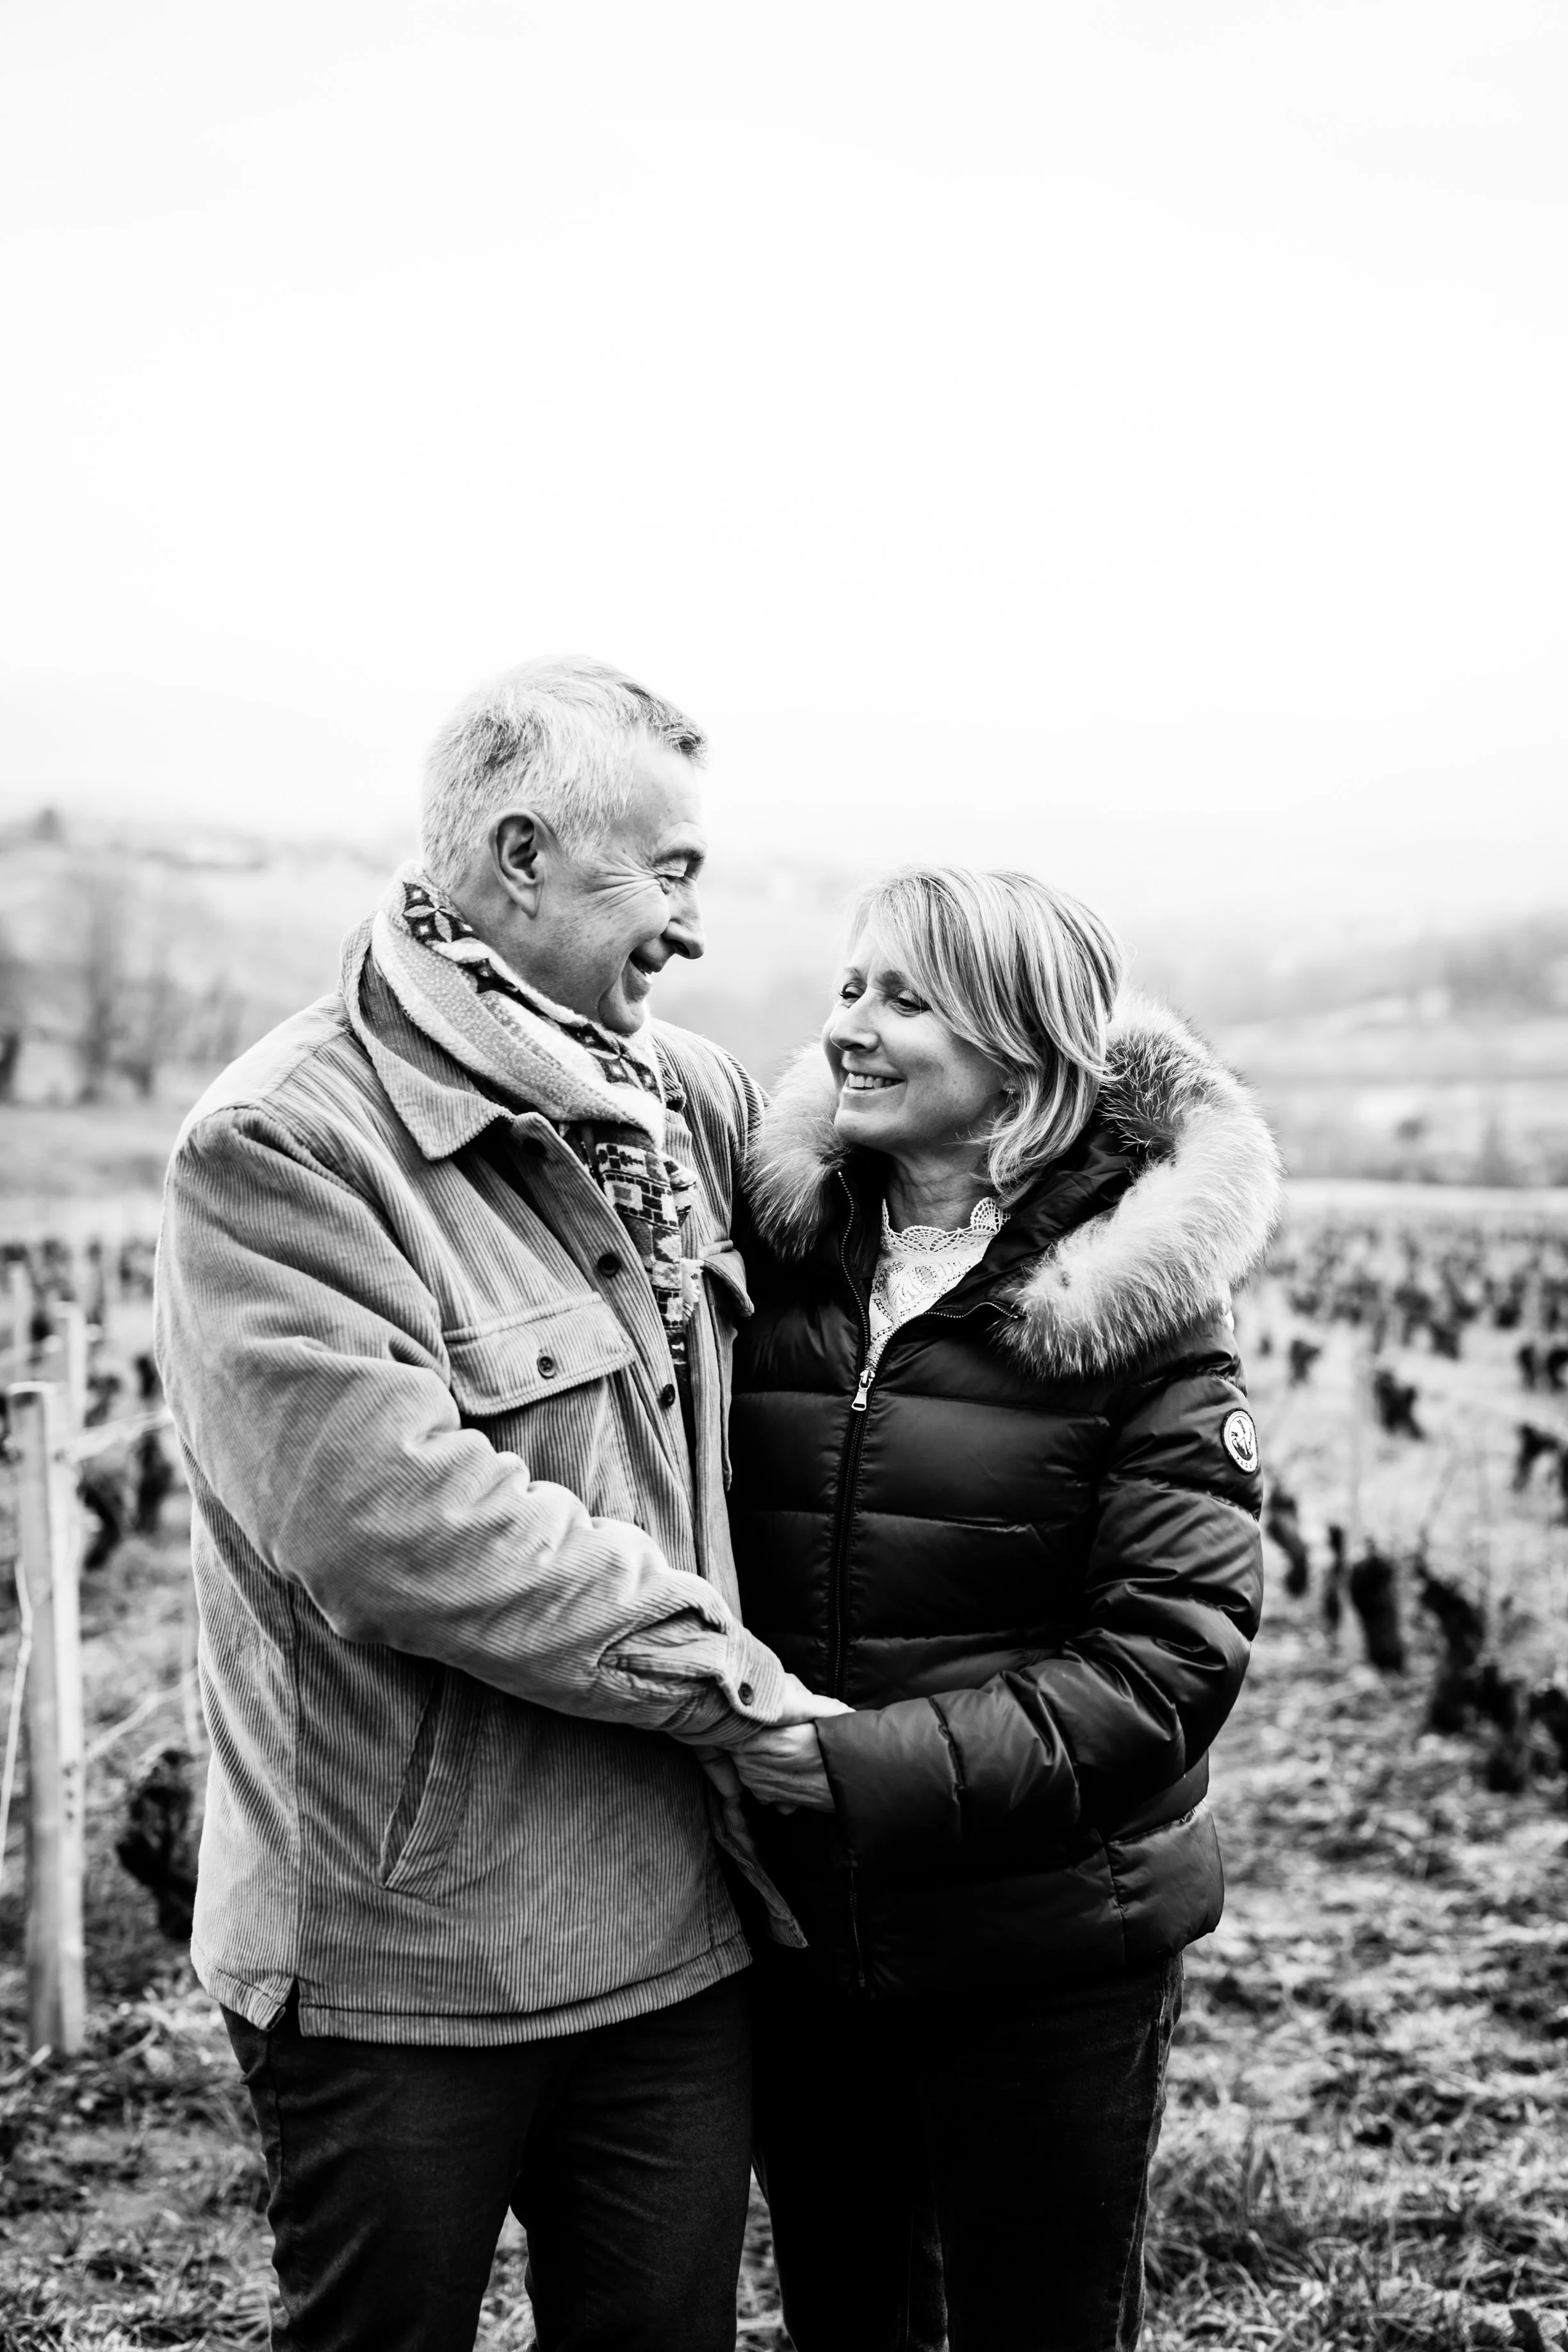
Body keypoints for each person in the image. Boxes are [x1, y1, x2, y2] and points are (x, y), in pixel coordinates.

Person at [154, 657, 842, 2352]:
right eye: (667, 871)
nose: (691, 927)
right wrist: (737, 1690)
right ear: (521, 857)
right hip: (406, 1966)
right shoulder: (286, 1147)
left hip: (676, 1929)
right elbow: (399, 1526)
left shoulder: (682, 1102)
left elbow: (928, 1230)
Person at [724, 865, 1282, 2352]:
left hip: (1046, 1954)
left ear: (1022, 1054)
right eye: (849, 986)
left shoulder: (1139, 1315)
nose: (853, 1026)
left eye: (909, 999)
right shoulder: (774, 1265)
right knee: (848, 2320)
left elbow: (1168, 1667)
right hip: (800, 1943)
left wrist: (849, 1769)